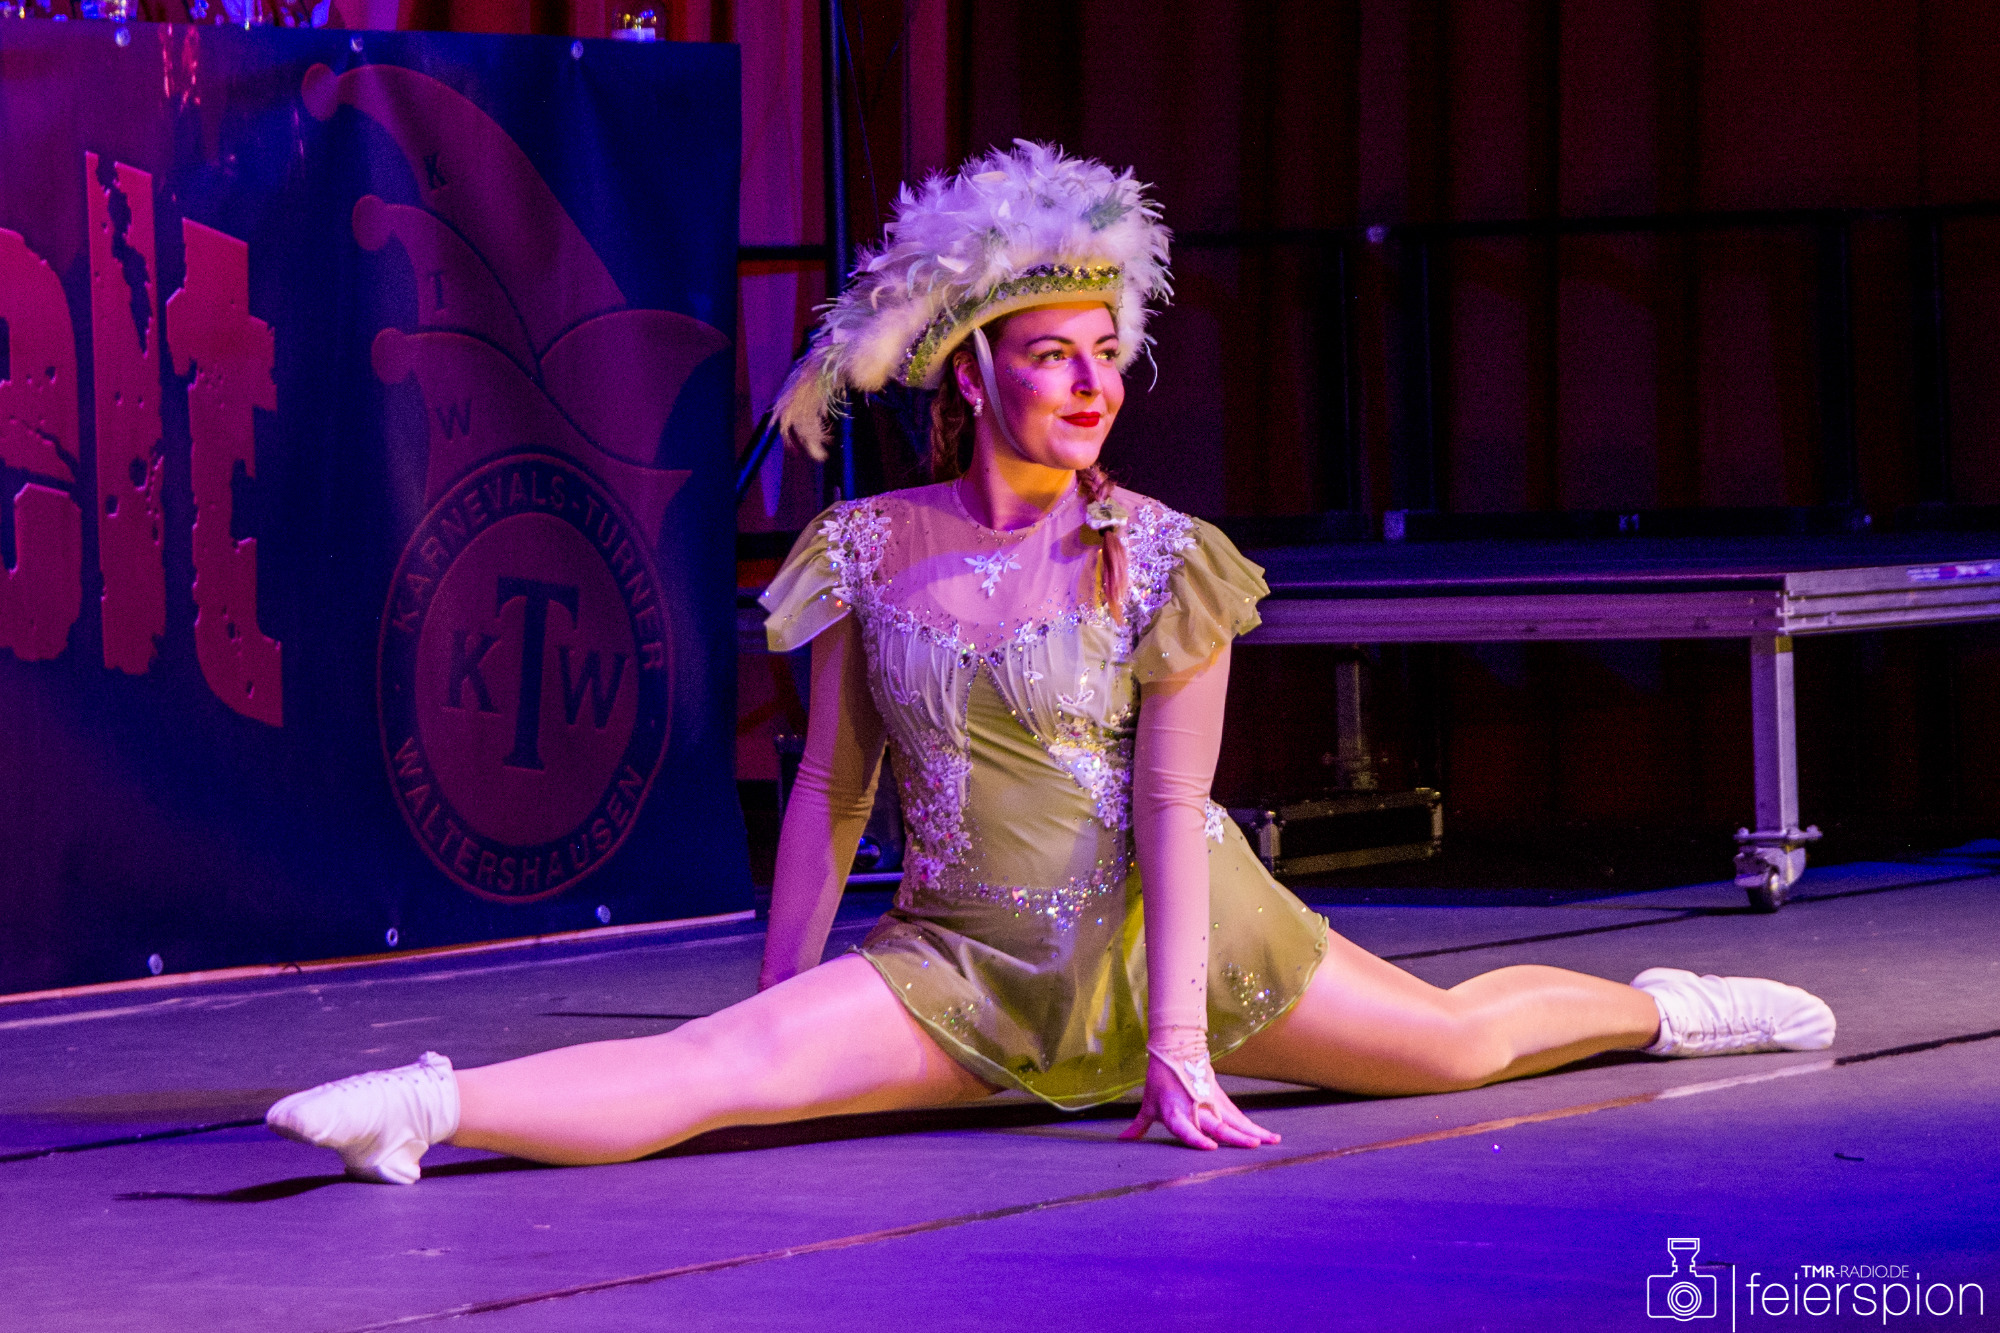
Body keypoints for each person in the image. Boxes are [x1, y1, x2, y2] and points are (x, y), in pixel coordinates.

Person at [267, 142, 1834, 1184]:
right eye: (1051, 357)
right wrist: (783, 1008)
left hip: (1179, 942)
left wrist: (1178, 1048)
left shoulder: (1165, 554)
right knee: (708, 1072)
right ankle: (427, 1103)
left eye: (1106, 356)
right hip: (963, 961)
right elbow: (830, 788)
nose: (1092, 385)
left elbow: (1172, 808)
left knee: (1454, 1040)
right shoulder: (864, 549)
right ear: (972, 374)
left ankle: (1663, 1009)